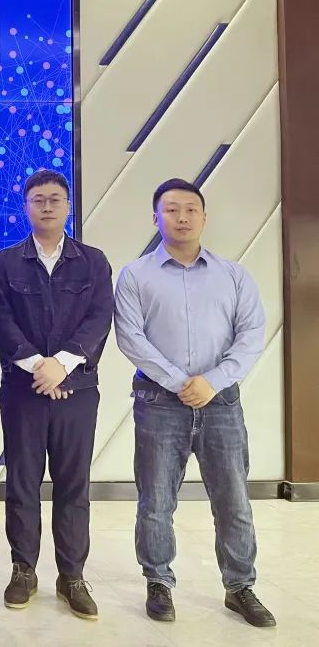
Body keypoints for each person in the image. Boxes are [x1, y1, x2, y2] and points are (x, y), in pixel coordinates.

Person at [115, 178, 275, 628]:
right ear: (155, 218)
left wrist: (212, 382)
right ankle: (158, 581)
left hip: (221, 403)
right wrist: (181, 382)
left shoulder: (234, 275)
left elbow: (250, 336)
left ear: (204, 217)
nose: (181, 217)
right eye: (171, 210)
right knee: (156, 500)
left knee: (234, 500)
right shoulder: (135, 275)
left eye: (190, 209)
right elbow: (131, 338)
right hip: (158, 403)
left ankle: (240, 586)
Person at [0, 170, 113, 619]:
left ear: (68, 206)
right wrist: (38, 367)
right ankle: (23, 570)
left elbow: (100, 317)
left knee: (73, 484)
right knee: (22, 483)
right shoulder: (4, 262)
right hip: (22, 391)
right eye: (38, 199)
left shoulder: (93, 261)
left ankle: (72, 576)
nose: (46, 206)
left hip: (77, 390)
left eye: (55, 199)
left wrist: (62, 364)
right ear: (25, 206)